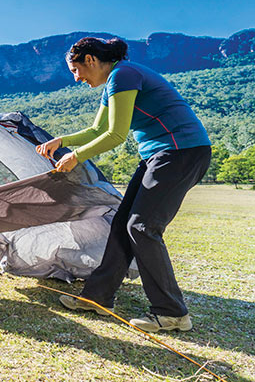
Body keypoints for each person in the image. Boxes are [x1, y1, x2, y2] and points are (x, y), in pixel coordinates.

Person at [36, 37, 211, 333]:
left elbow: (116, 135)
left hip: (181, 152)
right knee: (122, 224)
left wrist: (75, 157)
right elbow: (98, 129)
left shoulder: (123, 75)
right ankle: (98, 298)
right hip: (159, 155)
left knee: (142, 227)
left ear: (90, 60)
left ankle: (172, 313)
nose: (76, 79)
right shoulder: (117, 80)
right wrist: (62, 142)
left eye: (75, 70)